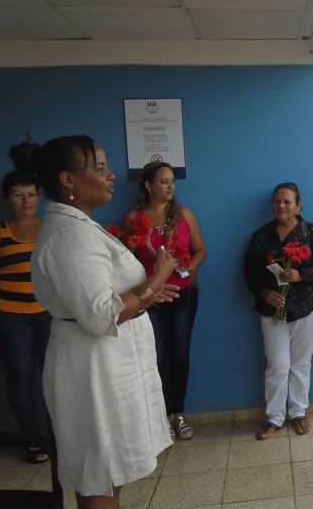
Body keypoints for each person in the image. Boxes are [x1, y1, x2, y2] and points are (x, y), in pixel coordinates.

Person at [30, 136, 179, 509]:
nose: (111, 175)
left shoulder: (81, 227)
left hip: (106, 364)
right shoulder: (71, 236)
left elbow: (102, 294)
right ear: (67, 180)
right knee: (99, 469)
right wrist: (155, 280)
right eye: (99, 168)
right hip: (93, 369)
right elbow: (101, 315)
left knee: (109, 467)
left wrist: (144, 297)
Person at [124, 161, 206, 441]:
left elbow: (200, 249)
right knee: (155, 357)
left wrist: (189, 267)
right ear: (148, 185)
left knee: (179, 355)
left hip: (183, 294)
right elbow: (127, 260)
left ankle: (178, 414)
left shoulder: (184, 214)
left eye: (172, 181)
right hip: (150, 298)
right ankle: (159, 418)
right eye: (163, 181)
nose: (171, 186)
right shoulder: (134, 218)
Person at [244, 182, 313, 440]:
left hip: (306, 308)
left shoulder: (310, 232)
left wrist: (300, 275)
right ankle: (274, 417)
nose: (281, 206)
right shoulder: (261, 236)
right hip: (272, 311)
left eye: (287, 202)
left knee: (301, 363)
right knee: (278, 366)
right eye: (277, 202)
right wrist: (264, 293)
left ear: (298, 205)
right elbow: (249, 272)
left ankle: (298, 412)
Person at [0, 142, 51, 463]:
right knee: (20, 376)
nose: (26, 200)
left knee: (53, 376)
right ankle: (33, 439)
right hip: (10, 318)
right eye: (18, 195)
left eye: (31, 193)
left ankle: (58, 436)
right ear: (7, 199)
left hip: (48, 316)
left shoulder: (51, 229)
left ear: (39, 196)